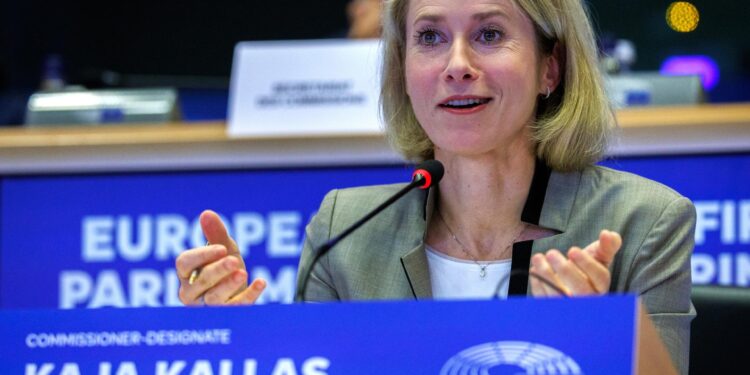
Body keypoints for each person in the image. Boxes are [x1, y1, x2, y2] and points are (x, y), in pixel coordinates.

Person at [175, 0, 695, 373]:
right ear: (402, 69)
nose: (457, 66)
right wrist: (236, 341)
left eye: (489, 34)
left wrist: (594, 341)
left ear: (550, 69)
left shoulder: (644, 222)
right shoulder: (346, 231)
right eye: (429, 37)